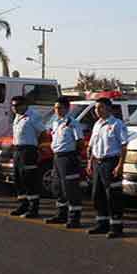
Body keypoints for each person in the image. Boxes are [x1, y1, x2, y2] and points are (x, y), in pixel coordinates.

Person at [87, 97, 129, 238]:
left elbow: (124, 146)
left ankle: (116, 227)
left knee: (113, 195)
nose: (97, 110)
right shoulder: (97, 124)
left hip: (111, 162)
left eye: (100, 107)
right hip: (98, 163)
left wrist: (120, 165)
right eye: (96, 108)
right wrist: (90, 162)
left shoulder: (117, 124)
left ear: (109, 108)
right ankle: (102, 224)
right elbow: (93, 146)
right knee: (97, 195)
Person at [45, 97, 84, 228]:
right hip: (57, 157)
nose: (57, 110)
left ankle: (74, 219)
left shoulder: (73, 123)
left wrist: (74, 156)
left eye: (60, 108)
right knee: (57, 187)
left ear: (67, 109)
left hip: (68, 157)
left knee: (70, 189)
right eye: (55, 108)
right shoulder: (55, 123)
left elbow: (80, 142)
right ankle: (61, 215)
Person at [9, 96, 45, 218]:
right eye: (13, 106)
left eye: (17, 105)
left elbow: (43, 132)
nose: (14, 108)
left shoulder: (33, 116)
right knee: (19, 179)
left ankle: (33, 208)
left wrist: (37, 147)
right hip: (18, 150)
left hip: (28, 150)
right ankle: (23, 205)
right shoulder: (17, 117)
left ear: (24, 105)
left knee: (29, 180)